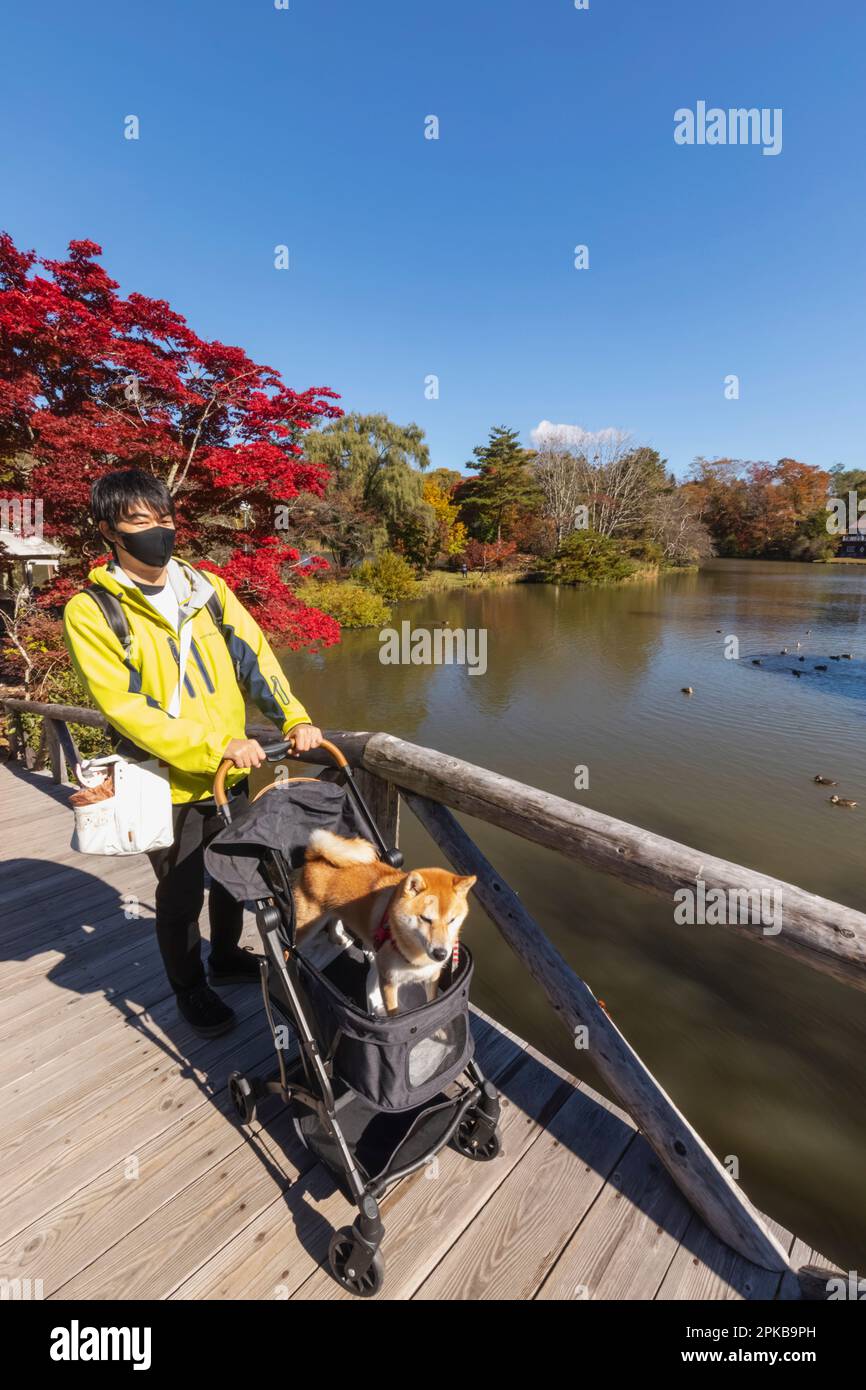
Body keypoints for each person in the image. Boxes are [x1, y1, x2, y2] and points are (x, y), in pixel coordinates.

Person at [63, 468, 323, 1037]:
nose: (157, 531)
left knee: (234, 877)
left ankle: (226, 957)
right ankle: (190, 989)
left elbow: (256, 658)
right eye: (139, 521)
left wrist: (294, 717)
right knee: (179, 896)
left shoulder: (206, 590)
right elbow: (126, 707)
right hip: (165, 780)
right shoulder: (92, 610)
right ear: (109, 529)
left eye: (164, 519)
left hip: (231, 774)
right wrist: (213, 747)